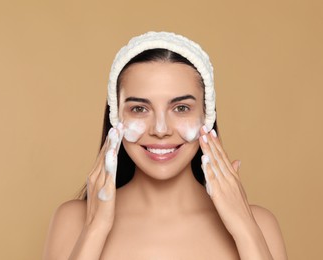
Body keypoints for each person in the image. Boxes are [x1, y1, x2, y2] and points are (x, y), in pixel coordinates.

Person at [43, 31, 287, 259]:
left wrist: (244, 228)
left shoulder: (259, 224)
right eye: (139, 109)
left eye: (181, 108)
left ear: (207, 116)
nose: (160, 130)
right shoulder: (73, 220)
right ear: (116, 118)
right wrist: (95, 229)